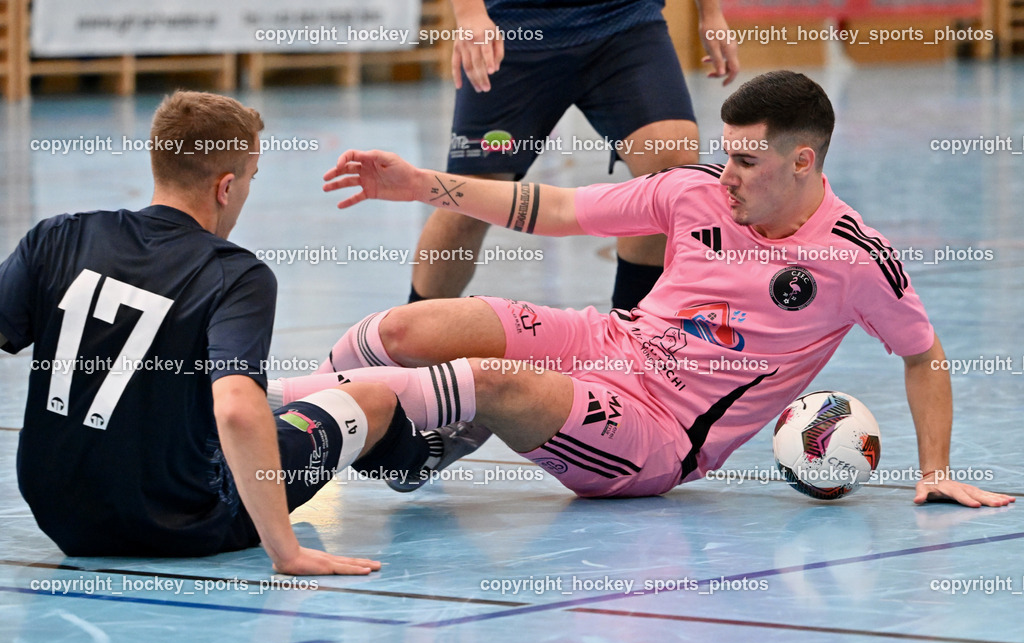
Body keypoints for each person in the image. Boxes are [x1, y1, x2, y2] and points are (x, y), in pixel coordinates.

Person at [282, 70, 1013, 508]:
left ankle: (265, 423)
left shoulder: (854, 259)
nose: (726, 173)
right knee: (404, 331)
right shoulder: (695, 191)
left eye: (747, 159)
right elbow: (560, 210)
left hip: (659, 434)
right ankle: (351, 432)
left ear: (803, 161)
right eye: (727, 154)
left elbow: (923, 352)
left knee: (490, 382)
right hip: (608, 341)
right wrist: (420, 185)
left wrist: (937, 470)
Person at [0, 91, 479, 575]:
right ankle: (421, 456)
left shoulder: (57, 236)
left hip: (60, 516)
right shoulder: (235, 274)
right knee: (372, 397)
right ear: (225, 187)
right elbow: (234, 409)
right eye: (252, 178)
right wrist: (286, 552)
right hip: (189, 521)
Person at [408, 0, 740, 310]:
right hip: (514, 25)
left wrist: (710, 12)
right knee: (468, 196)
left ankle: (631, 337)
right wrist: (469, 15)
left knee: (669, 173)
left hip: (624, 20)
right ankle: (406, 339)